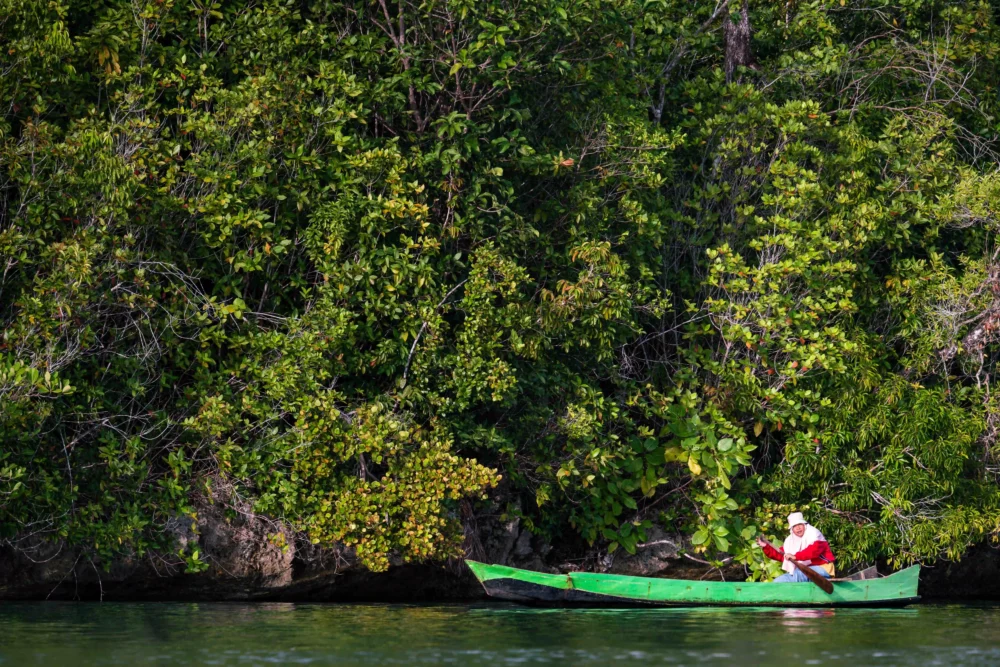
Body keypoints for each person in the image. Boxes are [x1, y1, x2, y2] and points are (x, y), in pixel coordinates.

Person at [756, 512, 836, 582]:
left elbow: (813, 551)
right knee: (778, 582)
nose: (798, 528)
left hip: (823, 569)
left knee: (799, 573)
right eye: (794, 526)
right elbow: (782, 555)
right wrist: (766, 546)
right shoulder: (790, 540)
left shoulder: (814, 534)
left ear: (804, 525)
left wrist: (795, 556)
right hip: (804, 572)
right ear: (792, 529)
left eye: (800, 524)